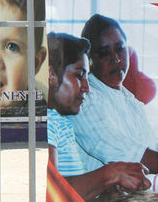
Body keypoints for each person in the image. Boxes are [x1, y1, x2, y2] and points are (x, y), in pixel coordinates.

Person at [46, 32, 150, 201]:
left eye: (87, 77)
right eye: (79, 75)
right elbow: (49, 192)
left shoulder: (61, 122)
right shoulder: (45, 124)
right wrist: (111, 173)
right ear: (51, 75)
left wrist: (104, 193)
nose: (86, 87)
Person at [69, 14, 158, 192]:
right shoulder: (84, 98)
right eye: (104, 53)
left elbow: (153, 146)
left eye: (120, 48)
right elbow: (121, 151)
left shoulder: (131, 101)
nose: (116, 58)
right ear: (90, 59)